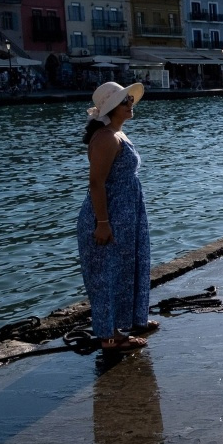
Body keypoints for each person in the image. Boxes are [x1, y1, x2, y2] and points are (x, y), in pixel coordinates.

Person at [77, 81, 158, 353]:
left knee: (125, 269)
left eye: (130, 99)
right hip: (108, 216)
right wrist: (102, 223)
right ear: (111, 107)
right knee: (106, 276)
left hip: (125, 215)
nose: (130, 104)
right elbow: (96, 183)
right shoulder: (106, 138)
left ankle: (131, 321)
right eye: (125, 101)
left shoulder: (117, 134)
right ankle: (110, 338)